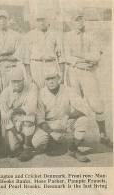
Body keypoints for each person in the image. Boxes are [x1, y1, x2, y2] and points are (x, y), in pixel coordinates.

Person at [64, 12, 112, 148]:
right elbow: (67, 56)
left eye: (81, 19)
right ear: (71, 22)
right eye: (76, 20)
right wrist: (82, 60)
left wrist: (79, 56)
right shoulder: (67, 37)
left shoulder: (91, 35)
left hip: (88, 73)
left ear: (84, 20)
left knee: (97, 105)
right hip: (74, 72)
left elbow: (96, 56)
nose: (79, 22)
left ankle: (103, 135)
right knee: (76, 105)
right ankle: (77, 137)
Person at [37, 68, 90, 162]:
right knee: (37, 143)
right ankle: (51, 142)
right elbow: (40, 119)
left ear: (59, 78)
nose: (51, 81)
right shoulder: (41, 93)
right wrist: (51, 132)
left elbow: (84, 108)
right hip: (50, 123)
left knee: (83, 120)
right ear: (45, 81)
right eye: (48, 79)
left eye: (53, 78)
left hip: (65, 120)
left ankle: (73, 149)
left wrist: (68, 116)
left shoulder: (68, 89)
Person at [0, 68, 48, 162]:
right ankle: (22, 142)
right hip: (14, 125)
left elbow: (31, 108)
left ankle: (27, 147)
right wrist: (17, 135)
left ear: (23, 80)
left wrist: (12, 111)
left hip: (31, 122)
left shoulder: (32, 87)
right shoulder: (5, 94)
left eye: (19, 81)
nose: (16, 84)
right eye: (14, 82)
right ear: (10, 81)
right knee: (12, 148)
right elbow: (5, 119)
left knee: (40, 142)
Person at [22, 12, 65, 88]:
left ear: (48, 21)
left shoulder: (55, 34)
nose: (41, 23)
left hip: (51, 65)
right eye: (39, 20)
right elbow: (26, 59)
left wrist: (61, 72)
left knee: (52, 90)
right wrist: (29, 75)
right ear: (35, 22)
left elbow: (61, 56)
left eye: (43, 20)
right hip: (36, 65)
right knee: (37, 90)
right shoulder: (29, 35)